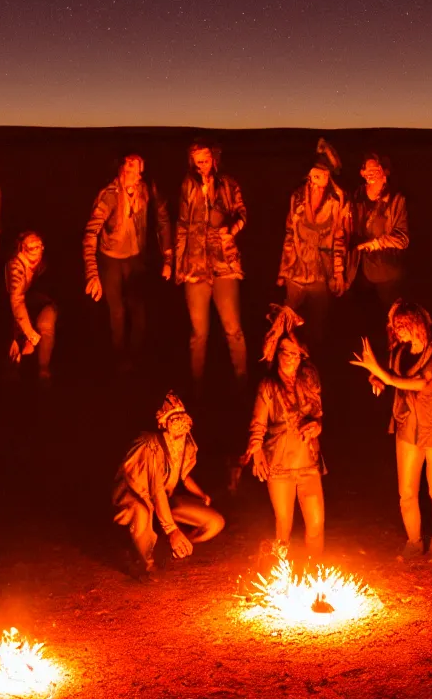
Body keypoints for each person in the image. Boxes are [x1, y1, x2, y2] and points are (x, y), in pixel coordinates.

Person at [350, 300, 432, 561]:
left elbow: (421, 382)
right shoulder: (399, 351)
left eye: (402, 324)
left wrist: (384, 376)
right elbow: (391, 376)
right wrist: (378, 378)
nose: (397, 329)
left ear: (416, 324)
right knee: (407, 492)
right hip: (408, 426)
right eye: (395, 325)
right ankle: (414, 542)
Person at [243, 306, 326, 560]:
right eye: (286, 353)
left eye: (296, 354)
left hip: (308, 464)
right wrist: (256, 450)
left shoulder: (309, 379)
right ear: (276, 353)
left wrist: (317, 427)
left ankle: (315, 572)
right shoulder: (268, 386)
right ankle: (281, 574)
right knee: (284, 525)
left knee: (316, 523)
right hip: (279, 465)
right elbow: (258, 422)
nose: (291, 359)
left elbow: (318, 415)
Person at [112, 391, 224, 576]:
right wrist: (171, 529)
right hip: (137, 496)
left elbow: (183, 477)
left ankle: (176, 546)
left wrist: (201, 495)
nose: (180, 423)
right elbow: (155, 490)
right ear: (164, 422)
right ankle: (145, 566)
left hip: (164, 499)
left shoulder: (184, 443)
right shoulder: (151, 446)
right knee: (140, 512)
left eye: (182, 417)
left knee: (215, 522)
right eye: (174, 418)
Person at [83, 154, 173, 370]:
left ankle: (135, 358)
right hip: (111, 259)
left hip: (135, 258)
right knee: (117, 311)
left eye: (138, 172)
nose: (134, 176)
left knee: (139, 309)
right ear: (120, 170)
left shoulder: (146, 190)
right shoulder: (108, 197)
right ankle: (118, 358)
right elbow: (90, 233)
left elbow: (162, 218)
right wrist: (92, 274)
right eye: (130, 171)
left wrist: (168, 257)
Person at [174, 140, 248, 391]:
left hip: (224, 263)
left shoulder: (228, 184)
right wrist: (179, 266)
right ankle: (197, 389)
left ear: (214, 159)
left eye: (206, 160)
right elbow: (182, 225)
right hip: (195, 267)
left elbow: (243, 213)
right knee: (199, 334)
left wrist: (232, 230)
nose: (202, 166)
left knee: (233, 328)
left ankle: (242, 384)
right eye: (198, 162)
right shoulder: (188, 186)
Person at [277, 138, 348, 349]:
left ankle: (315, 362)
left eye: (324, 175)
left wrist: (338, 274)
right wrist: (283, 271)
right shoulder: (296, 198)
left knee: (318, 324)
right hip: (296, 270)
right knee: (288, 318)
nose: (319, 179)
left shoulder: (336, 203)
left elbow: (339, 239)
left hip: (320, 272)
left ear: (329, 178)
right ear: (309, 176)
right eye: (316, 174)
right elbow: (289, 234)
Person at [347, 152, 409, 317]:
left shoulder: (396, 200)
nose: (372, 173)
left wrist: (375, 243)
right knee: (363, 317)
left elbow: (402, 239)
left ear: (385, 172)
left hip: (388, 274)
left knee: (393, 318)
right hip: (362, 272)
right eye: (368, 169)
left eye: (377, 169)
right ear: (362, 173)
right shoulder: (357, 196)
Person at [5, 231, 58, 384]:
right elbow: (16, 301)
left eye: (40, 246)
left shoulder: (42, 264)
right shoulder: (15, 266)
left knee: (47, 321)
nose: (39, 250)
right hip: (9, 307)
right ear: (22, 248)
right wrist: (31, 335)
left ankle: (43, 370)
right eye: (33, 247)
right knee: (14, 340)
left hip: (36, 301)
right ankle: (11, 374)